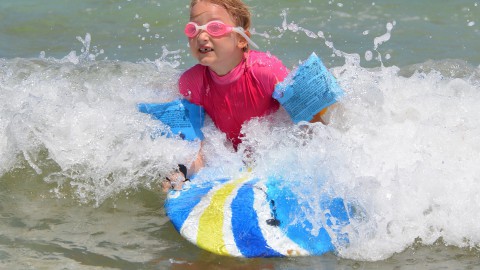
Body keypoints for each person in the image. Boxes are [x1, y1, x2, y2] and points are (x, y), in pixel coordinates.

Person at [162, 0, 326, 191]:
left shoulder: (266, 71)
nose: (202, 36)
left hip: (271, 157)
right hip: (227, 160)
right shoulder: (191, 83)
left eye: (214, 27)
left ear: (241, 39)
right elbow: (199, 147)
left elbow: (311, 124)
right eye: (193, 28)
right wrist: (181, 171)